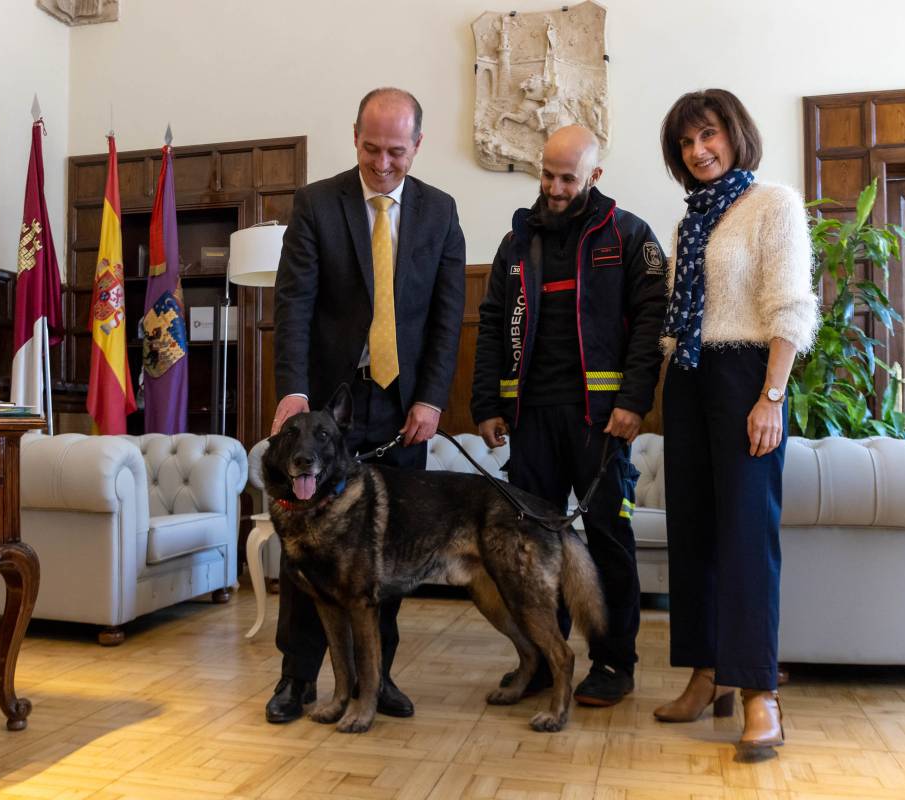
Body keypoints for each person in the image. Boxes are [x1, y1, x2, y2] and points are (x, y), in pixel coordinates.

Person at [266, 87, 466, 724]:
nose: (383, 163)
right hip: (325, 410)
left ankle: (376, 679)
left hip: (403, 406)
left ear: (418, 146)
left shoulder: (439, 211)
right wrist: (294, 390)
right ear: (354, 137)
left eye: (397, 151)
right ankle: (296, 678)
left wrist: (433, 397)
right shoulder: (317, 204)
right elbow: (293, 303)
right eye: (372, 148)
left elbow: (446, 315)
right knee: (307, 544)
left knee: (389, 554)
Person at [471, 125, 668, 707]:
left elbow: (652, 321)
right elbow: (490, 323)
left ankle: (615, 662)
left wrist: (633, 401)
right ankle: (543, 659)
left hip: (601, 423)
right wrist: (486, 403)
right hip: (531, 421)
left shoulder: (628, 236)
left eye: (568, 178)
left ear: (594, 177)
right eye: (547, 175)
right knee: (532, 549)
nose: (554, 189)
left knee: (607, 542)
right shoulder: (516, 242)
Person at [653, 89, 817, 757]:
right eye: (687, 142)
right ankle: (706, 673)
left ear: (735, 135)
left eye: (709, 135)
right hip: (688, 379)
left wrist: (770, 396)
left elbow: (792, 307)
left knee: (748, 537)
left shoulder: (771, 204)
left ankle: (760, 695)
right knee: (693, 533)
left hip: (747, 376)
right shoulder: (692, 220)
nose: (699, 151)